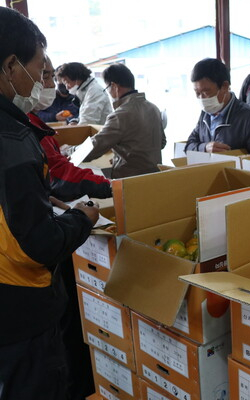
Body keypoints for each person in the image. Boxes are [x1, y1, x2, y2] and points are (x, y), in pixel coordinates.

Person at [0, 8, 99, 400]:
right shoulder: (13, 142)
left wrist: (40, 200)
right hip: (21, 312)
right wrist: (81, 218)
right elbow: (39, 245)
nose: (46, 81)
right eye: (40, 69)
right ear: (11, 66)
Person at [31, 56, 112, 200]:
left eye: (65, 81)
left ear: (75, 78)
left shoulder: (93, 92)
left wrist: (71, 150)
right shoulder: (29, 122)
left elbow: (88, 122)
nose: (52, 85)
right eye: (45, 76)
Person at [83, 63, 166, 178]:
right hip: (155, 175)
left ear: (114, 86)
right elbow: (162, 143)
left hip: (130, 179)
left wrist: (69, 152)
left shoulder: (120, 115)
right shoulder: (153, 108)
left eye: (107, 88)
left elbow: (96, 146)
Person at [184, 58, 250, 154]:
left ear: (224, 86)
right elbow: (188, 146)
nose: (202, 98)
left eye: (206, 92)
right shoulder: (205, 114)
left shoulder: (249, 117)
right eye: (197, 93)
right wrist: (205, 148)